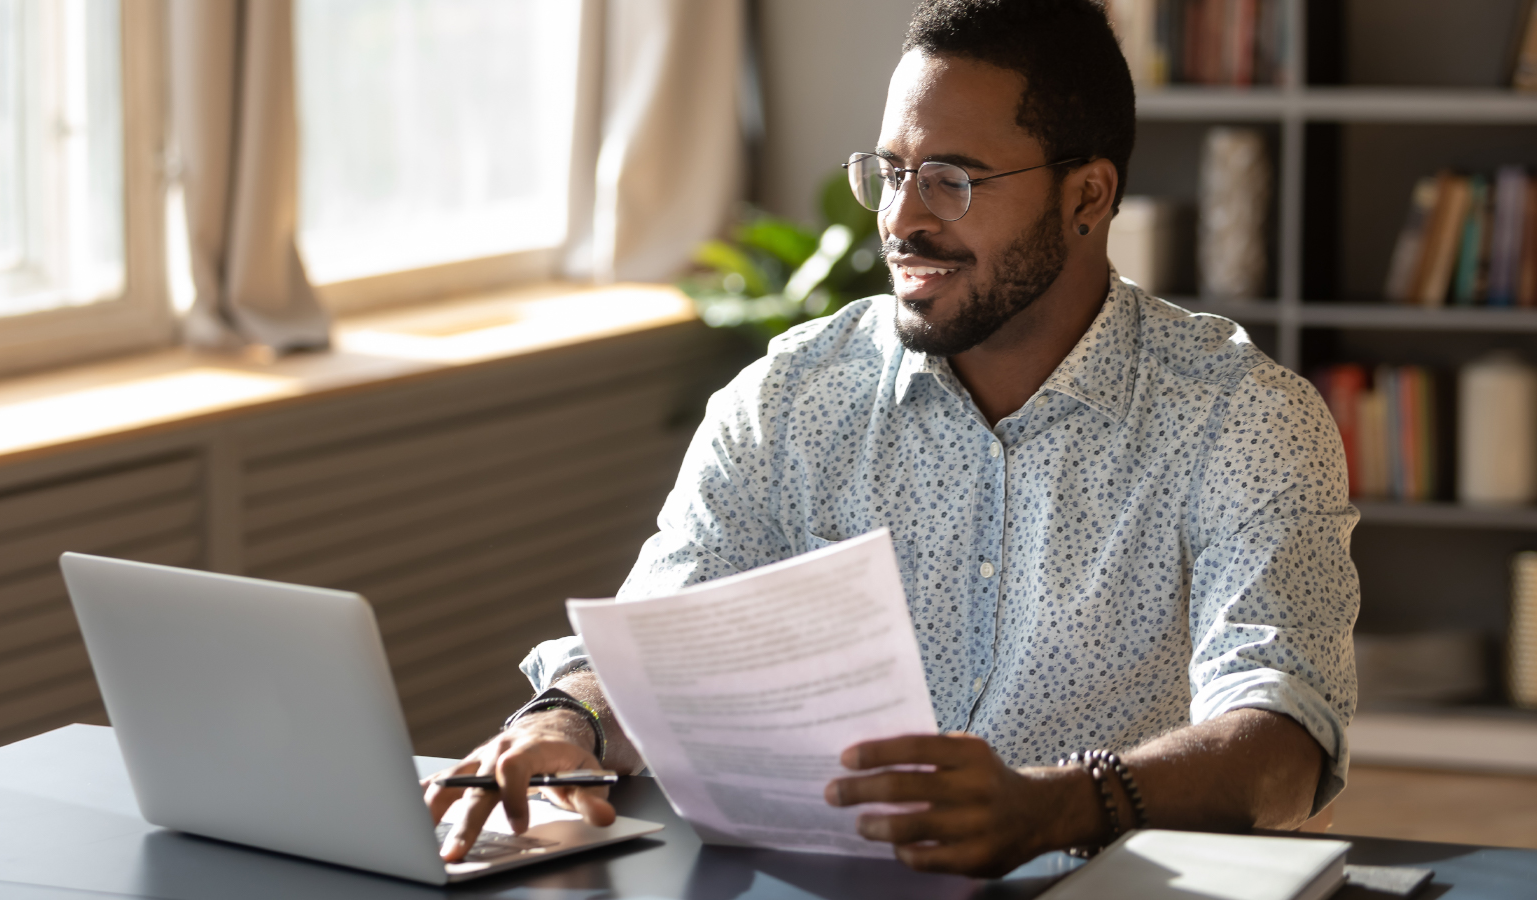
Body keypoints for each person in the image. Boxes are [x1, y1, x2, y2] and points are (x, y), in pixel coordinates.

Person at [425, 0, 1359, 877]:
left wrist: (1054, 808)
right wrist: (564, 723)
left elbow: (1282, 736)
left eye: (952, 181)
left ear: (1087, 198)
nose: (903, 220)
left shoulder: (1241, 417)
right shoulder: (791, 396)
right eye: (891, 172)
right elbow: (656, 646)